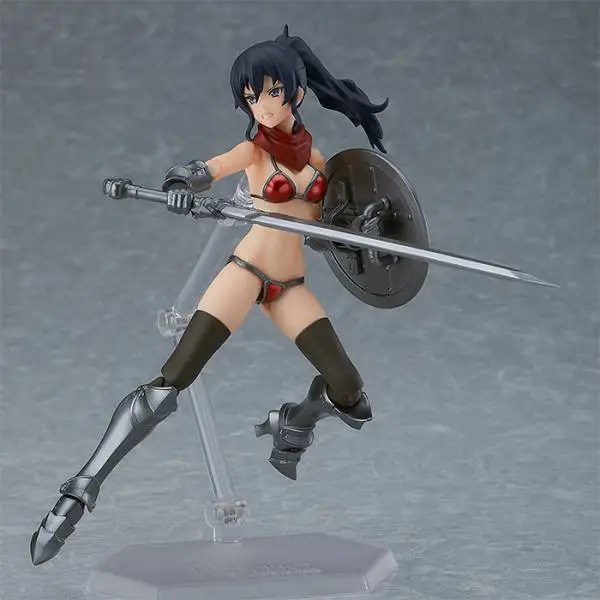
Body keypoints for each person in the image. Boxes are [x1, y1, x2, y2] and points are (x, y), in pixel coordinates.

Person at [30, 25, 389, 566]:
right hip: (245, 274)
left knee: (352, 395)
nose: (262, 105)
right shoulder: (253, 151)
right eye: (251, 96)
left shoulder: (320, 162)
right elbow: (203, 170)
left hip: (288, 288)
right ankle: (79, 491)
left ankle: (296, 419)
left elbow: (331, 234)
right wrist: (181, 186)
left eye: (271, 92)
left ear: (295, 92)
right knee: (168, 385)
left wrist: (366, 237)